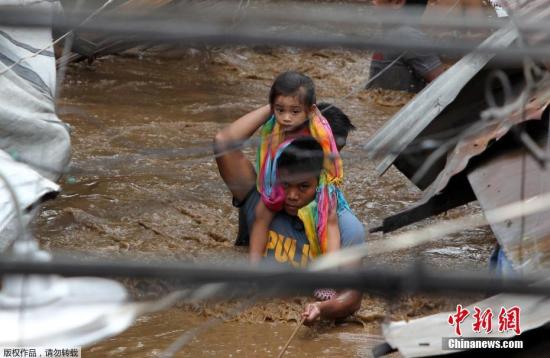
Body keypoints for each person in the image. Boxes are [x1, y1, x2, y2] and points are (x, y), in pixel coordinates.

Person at [214, 105, 364, 324]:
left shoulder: (346, 227)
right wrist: (280, 104)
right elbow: (223, 144)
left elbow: (352, 298)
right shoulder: (261, 198)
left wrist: (322, 308)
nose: (292, 196)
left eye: (303, 186)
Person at [249, 71, 349, 264]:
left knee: (330, 219)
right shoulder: (272, 128)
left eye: (295, 112)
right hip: (280, 180)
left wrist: (327, 193)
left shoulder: (319, 130)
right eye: (280, 110)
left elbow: (331, 166)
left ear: (310, 111)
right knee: (261, 213)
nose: (286, 118)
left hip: (314, 183)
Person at [367, 0, 446, 93]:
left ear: (397, 2)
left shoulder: (408, 37)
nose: (372, 1)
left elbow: (443, 86)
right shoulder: (390, 33)